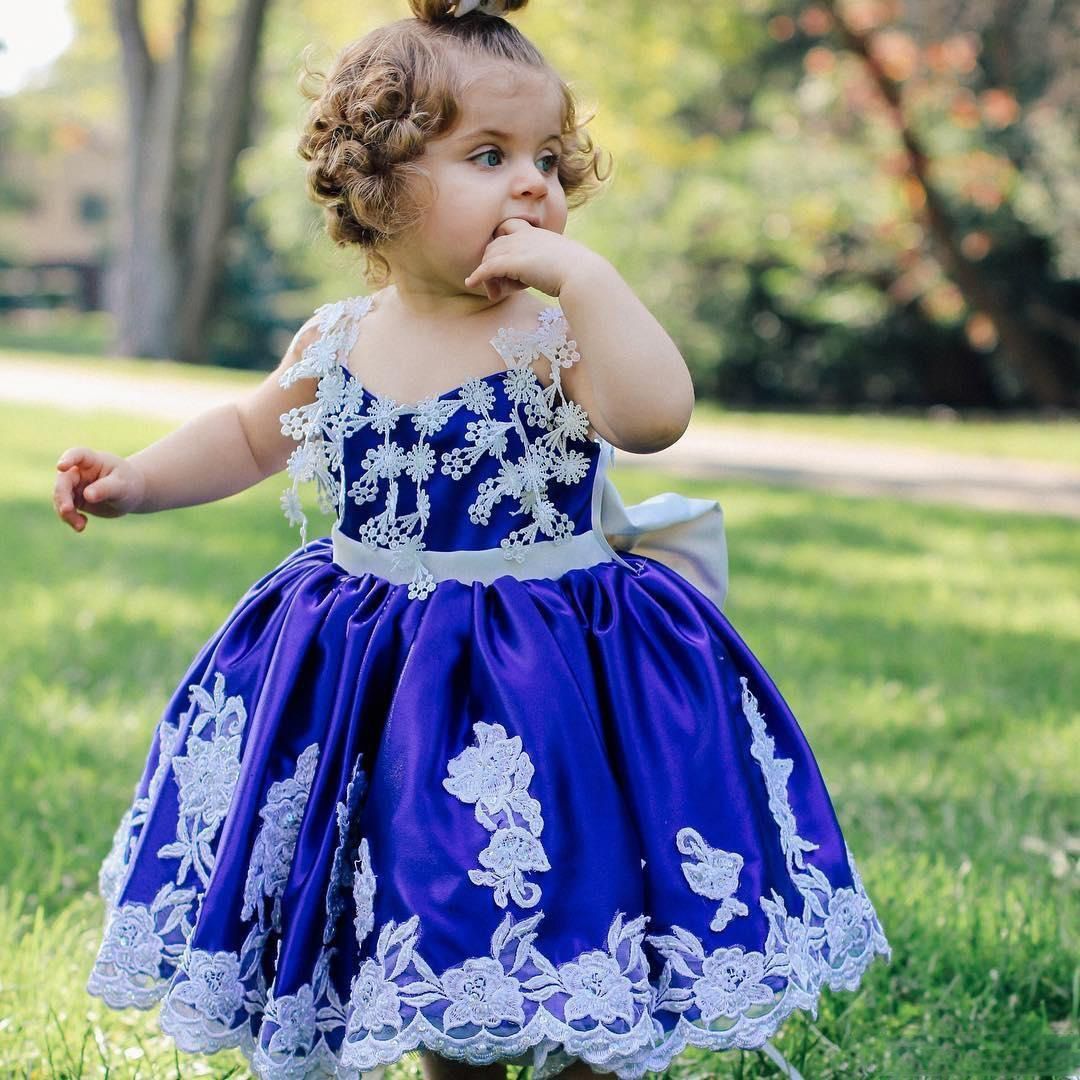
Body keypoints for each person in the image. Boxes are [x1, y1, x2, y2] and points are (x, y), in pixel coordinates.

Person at [52, 1, 891, 1077]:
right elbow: (247, 435)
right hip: (379, 676)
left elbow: (655, 416)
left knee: (578, 881)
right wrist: (134, 483)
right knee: (422, 888)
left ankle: (590, 1037)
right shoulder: (340, 339)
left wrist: (587, 281)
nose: (533, 182)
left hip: (549, 671)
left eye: (547, 156)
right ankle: (448, 1040)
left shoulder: (553, 329)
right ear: (377, 183)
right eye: (487, 155)